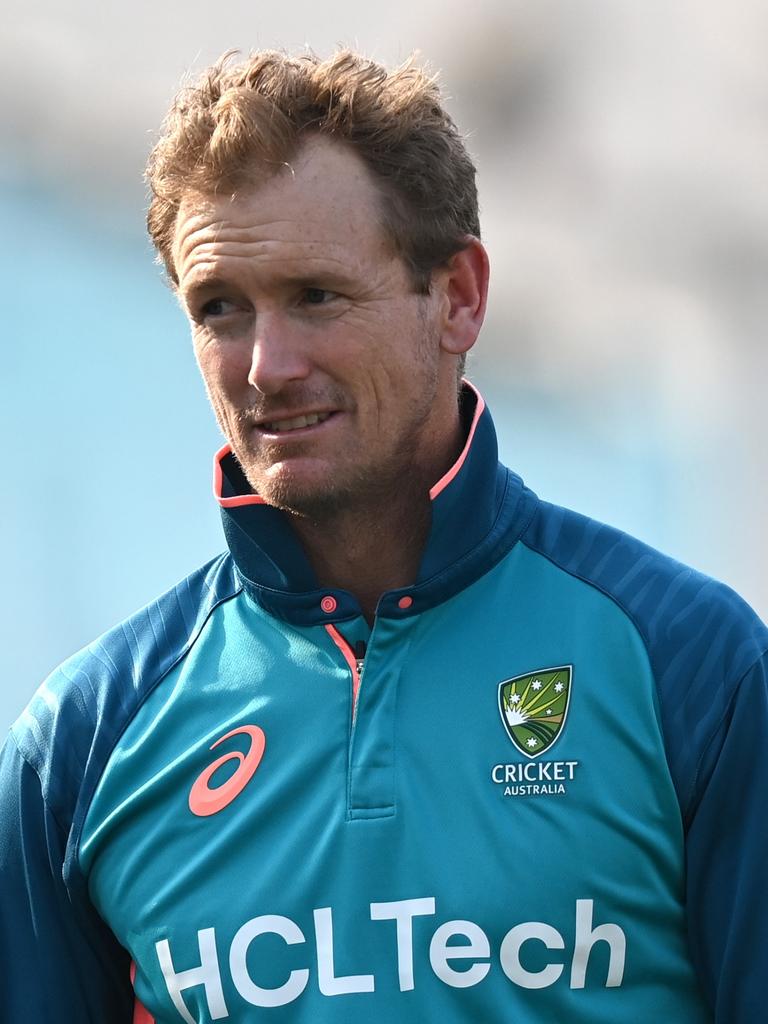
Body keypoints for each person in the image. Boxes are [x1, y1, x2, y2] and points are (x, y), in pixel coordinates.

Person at [1, 48, 765, 1024]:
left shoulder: (695, 671)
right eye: (220, 309)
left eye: (316, 296)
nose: (267, 366)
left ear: (459, 298)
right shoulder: (85, 740)